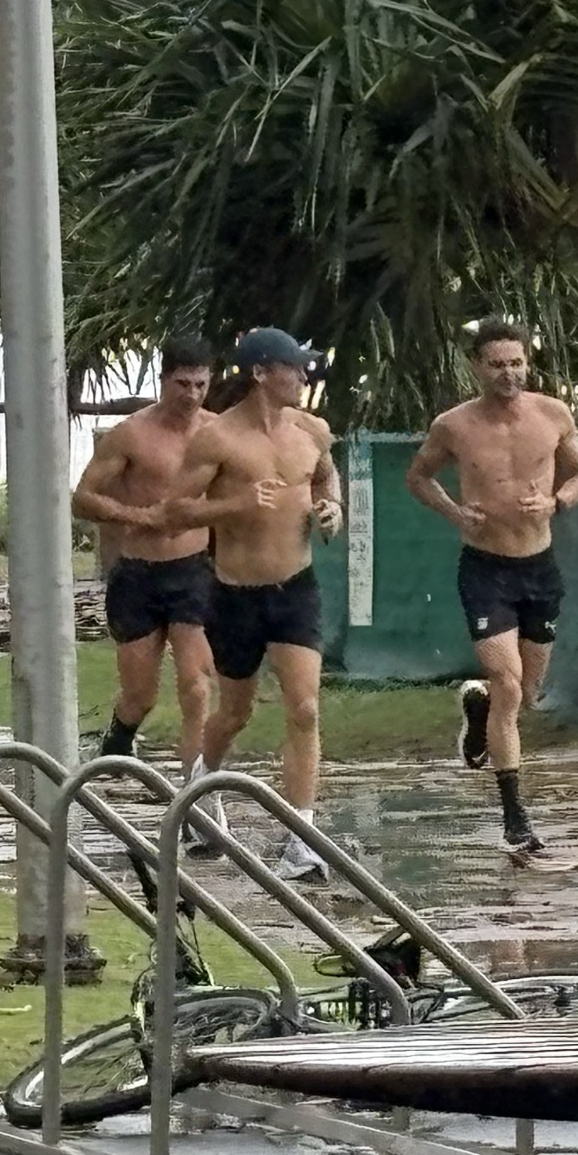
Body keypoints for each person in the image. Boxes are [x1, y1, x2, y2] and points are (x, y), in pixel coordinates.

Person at [404, 319, 578, 865]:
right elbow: (418, 477)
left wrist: (557, 502)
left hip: (539, 566)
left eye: (516, 363)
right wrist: (455, 511)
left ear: (526, 363)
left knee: (526, 693)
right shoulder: (454, 425)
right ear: (476, 366)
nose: (507, 373)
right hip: (485, 568)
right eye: (496, 364)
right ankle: (516, 819)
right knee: (508, 681)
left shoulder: (553, 414)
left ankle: (479, 709)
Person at [161, 327, 342, 882]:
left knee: (305, 708)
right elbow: (174, 510)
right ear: (262, 372)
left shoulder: (312, 429)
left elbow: (326, 477)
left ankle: (300, 839)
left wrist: (332, 507)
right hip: (235, 594)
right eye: (295, 368)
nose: (305, 377)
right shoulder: (218, 439)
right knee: (235, 712)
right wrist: (237, 502)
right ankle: (197, 786)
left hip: (297, 587)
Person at [69, 335, 220, 766]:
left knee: (196, 684)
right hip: (138, 573)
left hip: (193, 570)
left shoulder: (216, 433)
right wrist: (140, 517)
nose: (191, 394)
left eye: (200, 385)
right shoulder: (132, 434)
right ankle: (119, 738)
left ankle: (196, 787)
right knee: (141, 694)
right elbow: (83, 498)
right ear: (163, 380)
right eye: (182, 384)